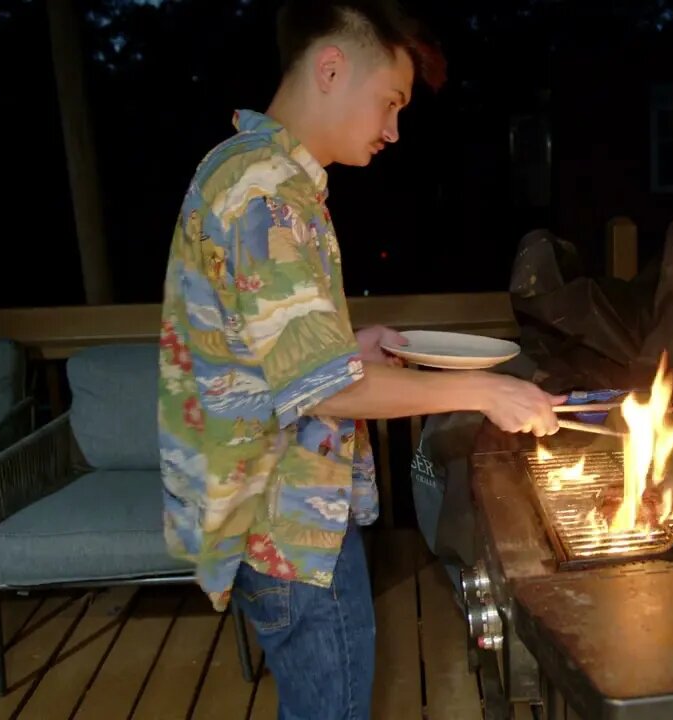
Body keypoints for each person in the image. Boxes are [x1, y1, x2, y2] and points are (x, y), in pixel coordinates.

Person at [156, 1, 563, 717]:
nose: (393, 130)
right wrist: (485, 391)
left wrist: (350, 346)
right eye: (390, 103)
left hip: (267, 516)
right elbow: (325, 392)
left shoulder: (250, 172)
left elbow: (273, 354)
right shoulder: (268, 194)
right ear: (332, 68)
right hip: (288, 527)